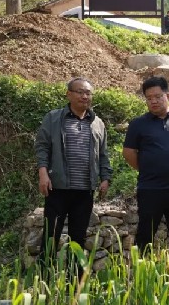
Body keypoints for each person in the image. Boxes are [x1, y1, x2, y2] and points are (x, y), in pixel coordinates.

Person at [35, 77, 113, 274]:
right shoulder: (53, 118)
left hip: (84, 190)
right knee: (51, 236)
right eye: (80, 92)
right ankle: (45, 280)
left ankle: (74, 284)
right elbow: (42, 147)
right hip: (57, 188)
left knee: (78, 238)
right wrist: (43, 173)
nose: (84, 96)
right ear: (68, 94)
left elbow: (103, 154)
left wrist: (105, 178)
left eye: (88, 93)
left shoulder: (97, 123)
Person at [123, 76, 169, 257]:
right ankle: (141, 275)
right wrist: (148, 168)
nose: (153, 101)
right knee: (145, 235)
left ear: (168, 96)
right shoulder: (138, 124)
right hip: (150, 188)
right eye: (149, 98)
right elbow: (129, 153)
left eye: (158, 96)